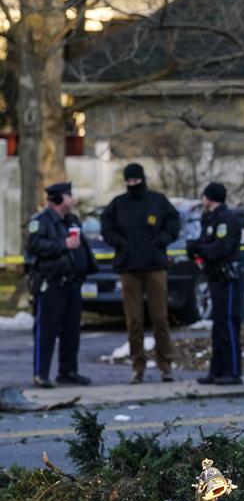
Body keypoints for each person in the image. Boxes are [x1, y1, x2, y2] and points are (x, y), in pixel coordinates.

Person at [101, 162, 181, 383]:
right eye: (128, 181)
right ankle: (138, 367)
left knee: (160, 319)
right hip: (129, 267)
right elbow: (106, 227)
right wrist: (119, 243)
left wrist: (162, 240)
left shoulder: (157, 201)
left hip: (155, 266)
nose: (132, 184)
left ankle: (166, 365)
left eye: (135, 180)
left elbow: (174, 223)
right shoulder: (118, 205)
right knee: (134, 321)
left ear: (142, 179)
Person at [25, 182, 97, 389]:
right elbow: (34, 246)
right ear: (57, 199)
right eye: (68, 195)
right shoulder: (40, 221)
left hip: (72, 284)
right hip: (51, 283)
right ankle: (41, 374)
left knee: (71, 331)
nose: (72, 199)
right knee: (46, 331)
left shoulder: (71, 220)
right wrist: (62, 245)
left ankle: (68, 371)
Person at [186, 183, 243, 385]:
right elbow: (205, 244)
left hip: (226, 278)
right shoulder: (209, 218)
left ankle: (233, 372)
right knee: (217, 326)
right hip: (213, 276)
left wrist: (199, 248)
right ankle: (217, 370)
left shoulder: (226, 219)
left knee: (228, 323)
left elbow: (220, 248)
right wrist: (194, 248)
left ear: (210, 197)